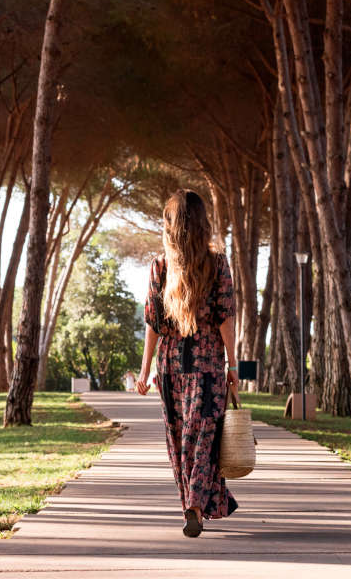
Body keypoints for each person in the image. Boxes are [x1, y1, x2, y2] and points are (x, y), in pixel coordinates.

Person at [136, 189, 239, 538]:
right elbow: (225, 318)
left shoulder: (159, 267)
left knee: (179, 440)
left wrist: (145, 369)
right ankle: (195, 504)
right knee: (204, 439)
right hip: (208, 364)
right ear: (201, 224)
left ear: (171, 225)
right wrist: (233, 366)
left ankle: (189, 505)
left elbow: (153, 323)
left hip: (170, 367)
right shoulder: (217, 264)